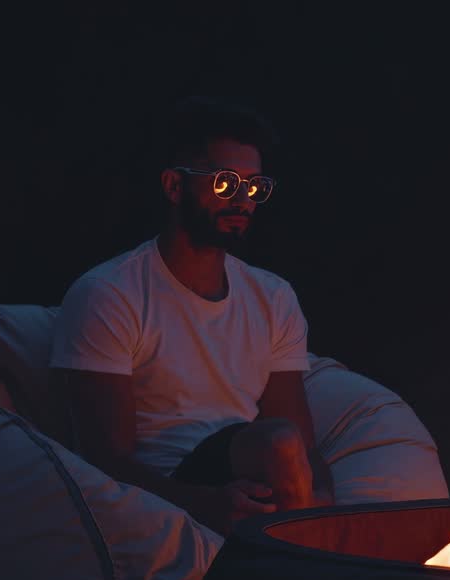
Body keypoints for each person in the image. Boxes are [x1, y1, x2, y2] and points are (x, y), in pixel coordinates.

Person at [50, 95, 335, 536]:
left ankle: (310, 556)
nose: (242, 199)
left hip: (247, 466)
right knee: (277, 442)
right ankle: (311, 571)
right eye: (225, 183)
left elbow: (301, 437)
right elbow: (102, 460)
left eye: (254, 187)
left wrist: (322, 503)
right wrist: (206, 504)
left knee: (285, 446)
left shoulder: (273, 297)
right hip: (168, 483)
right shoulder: (110, 293)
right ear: (174, 186)